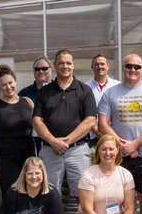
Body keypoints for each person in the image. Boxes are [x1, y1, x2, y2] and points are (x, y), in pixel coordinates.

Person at [98, 52, 142, 198]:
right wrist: (124, 146)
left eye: (137, 67)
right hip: (117, 156)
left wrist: (135, 144)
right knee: (115, 197)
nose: (133, 70)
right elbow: (103, 124)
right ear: (123, 68)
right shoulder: (110, 93)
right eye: (129, 66)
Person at [33, 50, 97, 195]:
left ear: (73, 65)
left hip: (77, 150)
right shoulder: (44, 92)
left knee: (83, 193)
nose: (65, 66)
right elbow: (37, 121)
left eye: (68, 63)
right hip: (50, 150)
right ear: (55, 65)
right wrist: (53, 141)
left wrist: (66, 142)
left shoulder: (84, 90)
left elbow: (90, 121)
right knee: (48, 193)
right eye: (61, 63)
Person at [0, 68, 37, 196]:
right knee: (11, 194)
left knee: (29, 192)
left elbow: (36, 129)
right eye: (4, 85)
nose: (8, 87)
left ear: (15, 82)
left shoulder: (28, 102)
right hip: (5, 160)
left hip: (27, 156)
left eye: (10, 83)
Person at [85, 53, 120, 130]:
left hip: (114, 135)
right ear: (92, 67)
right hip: (92, 135)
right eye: (96, 64)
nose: (100, 67)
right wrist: (95, 130)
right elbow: (83, 112)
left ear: (108, 66)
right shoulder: (85, 88)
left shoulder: (118, 86)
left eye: (102, 64)